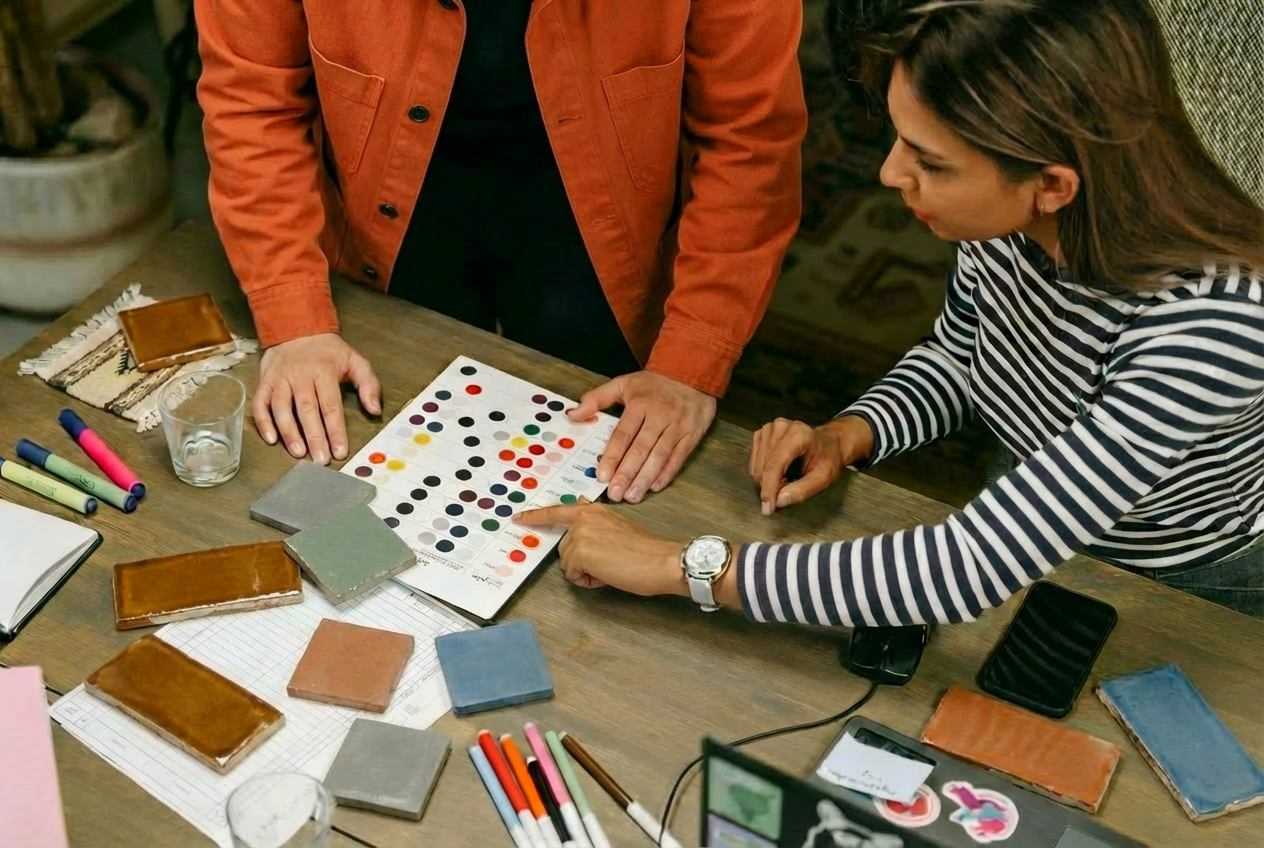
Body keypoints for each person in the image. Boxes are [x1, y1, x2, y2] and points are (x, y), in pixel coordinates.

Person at [515, 0, 1264, 622]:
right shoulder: (1014, 224)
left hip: (1178, 585)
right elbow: (963, 359)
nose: (887, 173)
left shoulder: (1212, 325)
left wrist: (678, 566)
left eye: (929, 162)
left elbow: (965, 566)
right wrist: (851, 434)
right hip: (1030, 503)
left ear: (1053, 184)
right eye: (901, 140)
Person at [193, 0, 807, 503]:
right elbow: (253, 107)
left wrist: (690, 360)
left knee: (603, 477)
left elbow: (749, 142)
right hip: (383, 212)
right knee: (398, 464)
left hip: (607, 219)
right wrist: (295, 320)